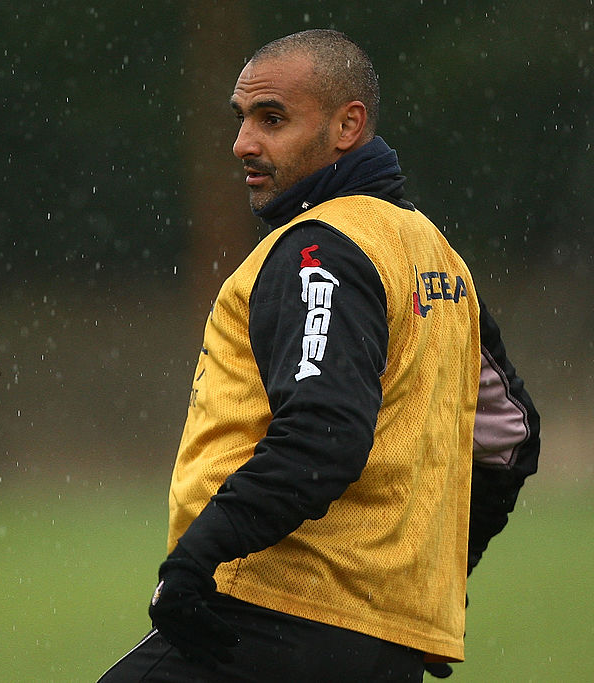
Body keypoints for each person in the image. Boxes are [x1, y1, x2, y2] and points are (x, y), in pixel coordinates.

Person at [98, 29, 539, 682]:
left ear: (347, 125)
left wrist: (195, 562)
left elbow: (321, 433)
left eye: (271, 118)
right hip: (387, 646)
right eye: (241, 118)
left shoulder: (319, 250)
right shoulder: (437, 258)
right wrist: (429, 576)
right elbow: (510, 438)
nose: (243, 142)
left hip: (269, 613)